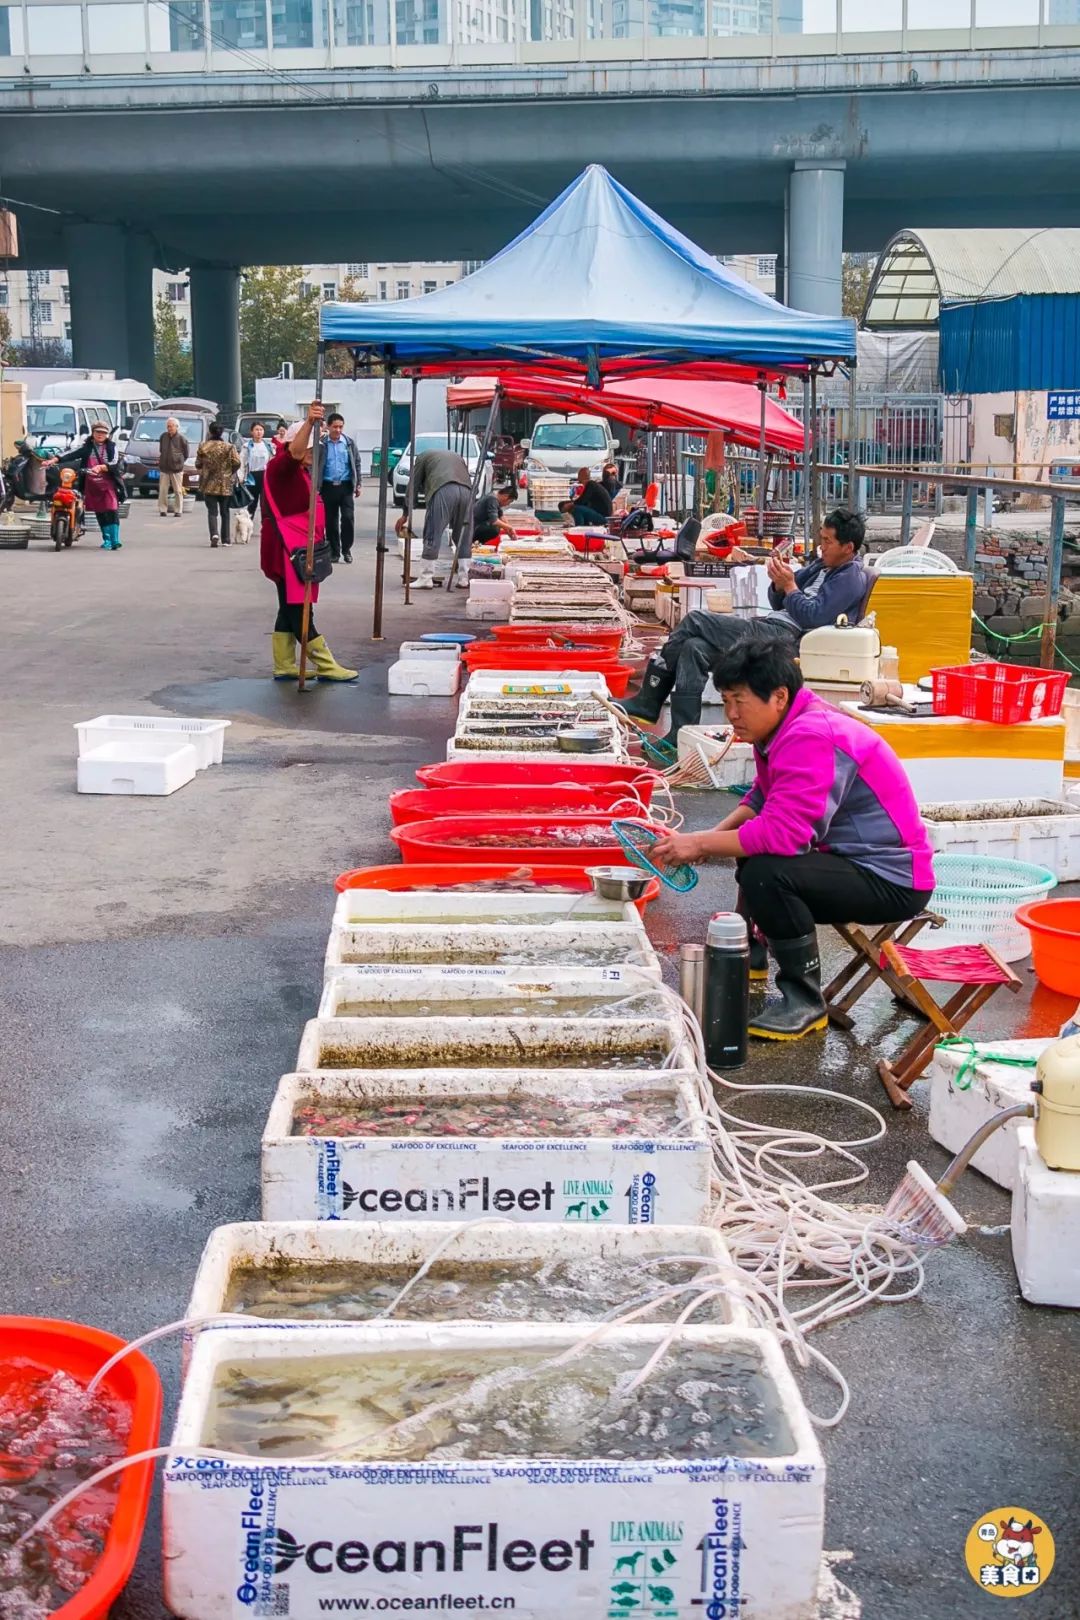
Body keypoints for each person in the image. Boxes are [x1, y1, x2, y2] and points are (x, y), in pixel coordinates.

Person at [652, 635, 934, 1041]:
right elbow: (762, 798)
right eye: (726, 700)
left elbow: (784, 835)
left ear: (779, 696)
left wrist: (697, 844)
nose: (731, 714)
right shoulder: (783, 729)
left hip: (893, 880)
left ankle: (804, 1001)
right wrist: (712, 837)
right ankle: (750, 953)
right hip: (851, 862)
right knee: (752, 853)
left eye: (739, 701)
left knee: (767, 870)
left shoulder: (811, 735)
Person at [618, 506, 870, 746]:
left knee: (696, 620)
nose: (821, 547)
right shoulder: (821, 566)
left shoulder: (850, 578)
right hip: (773, 626)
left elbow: (813, 617)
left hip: (788, 640)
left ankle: (650, 700)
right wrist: (778, 583)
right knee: (693, 648)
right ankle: (680, 734)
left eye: (828, 542)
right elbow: (778, 602)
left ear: (848, 548)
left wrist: (791, 586)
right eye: (821, 539)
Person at [260, 402, 358, 683]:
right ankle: (326, 664)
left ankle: (284, 664)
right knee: (299, 609)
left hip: (297, 548)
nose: (316, 454)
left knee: (286, 606)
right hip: (287, 550)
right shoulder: (282, 466)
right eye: (312, 448)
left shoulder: (300, 470)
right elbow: (293, 452)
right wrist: (309, 423)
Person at [394, 446, 472, 590]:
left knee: (432, 532)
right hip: (467, 491)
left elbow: (413, 486)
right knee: (462, 535)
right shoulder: (455, 456)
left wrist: (405, 514)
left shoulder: (422, 458)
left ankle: (426, 577)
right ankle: (464, 578)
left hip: (444, 489)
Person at [66, 421, 124, 551]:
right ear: (93, 433)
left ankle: (115, 540)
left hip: (108, 483)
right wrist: (54, 460)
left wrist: (101, 467)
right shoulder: (86, 447)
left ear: (107, 435)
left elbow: (114, 462)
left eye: (103, 433)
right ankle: (107, 540)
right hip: (91, 485)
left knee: (112, 508)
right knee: (100, 512)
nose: (100, 435)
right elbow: (70, 454)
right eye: (98, 432)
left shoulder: (111, 447)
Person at [318, 412, 362, 564]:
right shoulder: (322, 444)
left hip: (345, 486)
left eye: (340, 427)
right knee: (330, 521)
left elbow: (356, 463)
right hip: (328, 487)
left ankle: (346, 549)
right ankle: (334, 551)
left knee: (348, 518)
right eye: (335, 427)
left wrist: (358, 483)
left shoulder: (349, 443)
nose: (338, 430)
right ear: (328, 427)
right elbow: (315, 465)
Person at [196, 422, 241, 548]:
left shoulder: (203, 446)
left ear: (210, 432)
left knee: (212, 511)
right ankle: (226, 539)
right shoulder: (229, 447)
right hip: (225, 484)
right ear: (222, 433)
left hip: (208, 483)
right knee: (225, 512)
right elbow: (237, 462)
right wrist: (229, 472)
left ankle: (214, 535)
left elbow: (198, 464)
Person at [240, 421, 274, 521]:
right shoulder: (247, 446)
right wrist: (241, 477)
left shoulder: (268, 446)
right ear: (252, 432)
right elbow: (242, 462)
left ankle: (266, 526)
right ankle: (248, 524)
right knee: (252, 502)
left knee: (265, 504)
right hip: (252, 477)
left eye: (261, 430)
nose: (259, 432)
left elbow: (272, 461)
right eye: (256, 430)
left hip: (264, 476)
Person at [158, 417, 189, 518]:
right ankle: (163, 510)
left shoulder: (181, 438)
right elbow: (161, 450)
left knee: (178, 490)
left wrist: (179, 461)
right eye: (168, 426)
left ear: (177, 427)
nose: (170, 428)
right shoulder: (163, 436)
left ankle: (178, 510)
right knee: (163, 490)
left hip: (176, 468)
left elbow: (186, 453)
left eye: (172, 426)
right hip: (164, 467)